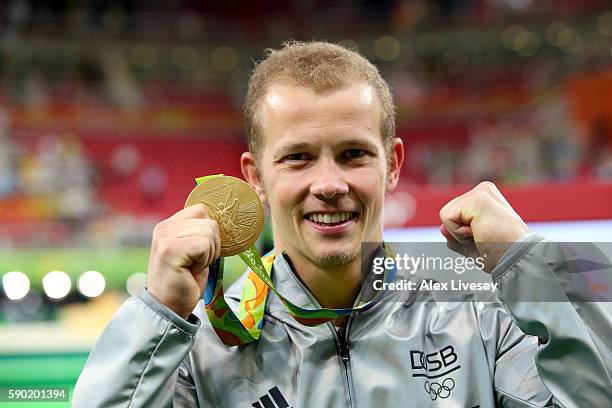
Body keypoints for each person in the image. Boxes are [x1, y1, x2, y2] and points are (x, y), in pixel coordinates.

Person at [73, 41, 611, 407]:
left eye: (353, 153)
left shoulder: (482, 315)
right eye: (298, 158)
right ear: (254, 176)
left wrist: (530, 264)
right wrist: (158, 316)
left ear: (393, 164)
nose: (329, 183)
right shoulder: (202, 345)